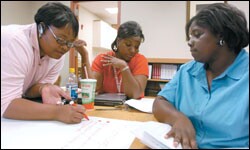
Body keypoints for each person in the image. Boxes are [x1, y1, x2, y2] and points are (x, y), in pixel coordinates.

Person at [152, 3, 249, 149]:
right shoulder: (187, 70)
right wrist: (177, 118)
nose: (189, 42)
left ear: (221, 36)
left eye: (197, 35)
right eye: (190, 36)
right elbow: (160, 102)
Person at [1, 2, 87, 124]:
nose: (65, 48)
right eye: (60, 40)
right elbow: (6, 104)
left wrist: (43, 88)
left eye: (69, 43)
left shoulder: (56, 54)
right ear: (41, 28)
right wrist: (57, 112)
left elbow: (28, 90)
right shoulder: (15, 42)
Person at [76, 21, 149, 99]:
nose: (133, 50)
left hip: (132, 109)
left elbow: (136, 94)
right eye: (128, 45)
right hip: (106, 108)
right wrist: (84, 55)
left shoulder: (140, 60)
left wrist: (124, 67)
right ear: (118, 41)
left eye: (136, 47)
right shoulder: (103, 59)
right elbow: (91, 88)